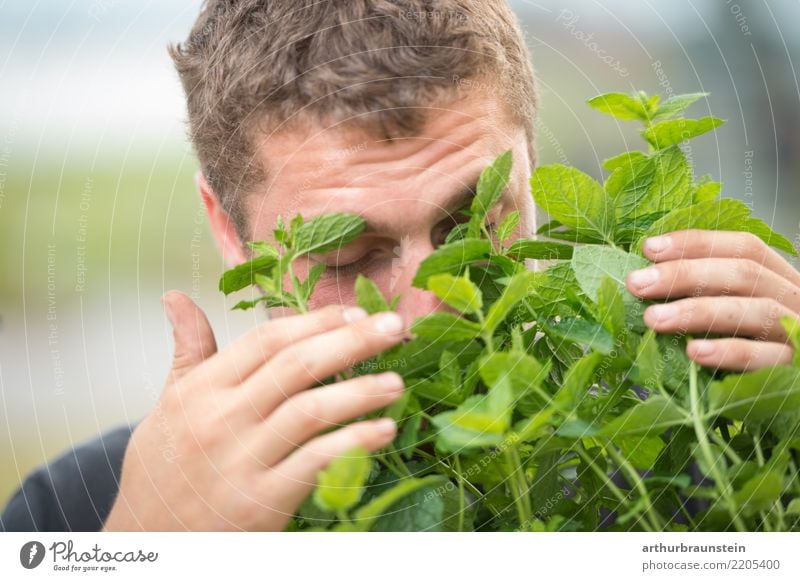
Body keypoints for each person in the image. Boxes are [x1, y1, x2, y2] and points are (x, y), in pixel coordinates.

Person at [3, 0, 799, 532]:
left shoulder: (701, 429)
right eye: (350, 255)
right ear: (231, 231)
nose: (429, 308)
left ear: (528, 160)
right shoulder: (75, 515)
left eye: (476, 216)